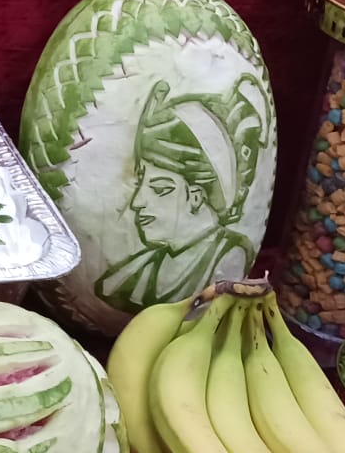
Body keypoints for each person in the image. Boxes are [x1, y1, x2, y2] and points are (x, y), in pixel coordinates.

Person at [96, 77, 269, 313]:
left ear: (196, 196)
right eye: (140, 184)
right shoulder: (132, 273)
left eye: (159, 188)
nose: (136, 203)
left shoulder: (229, 257)